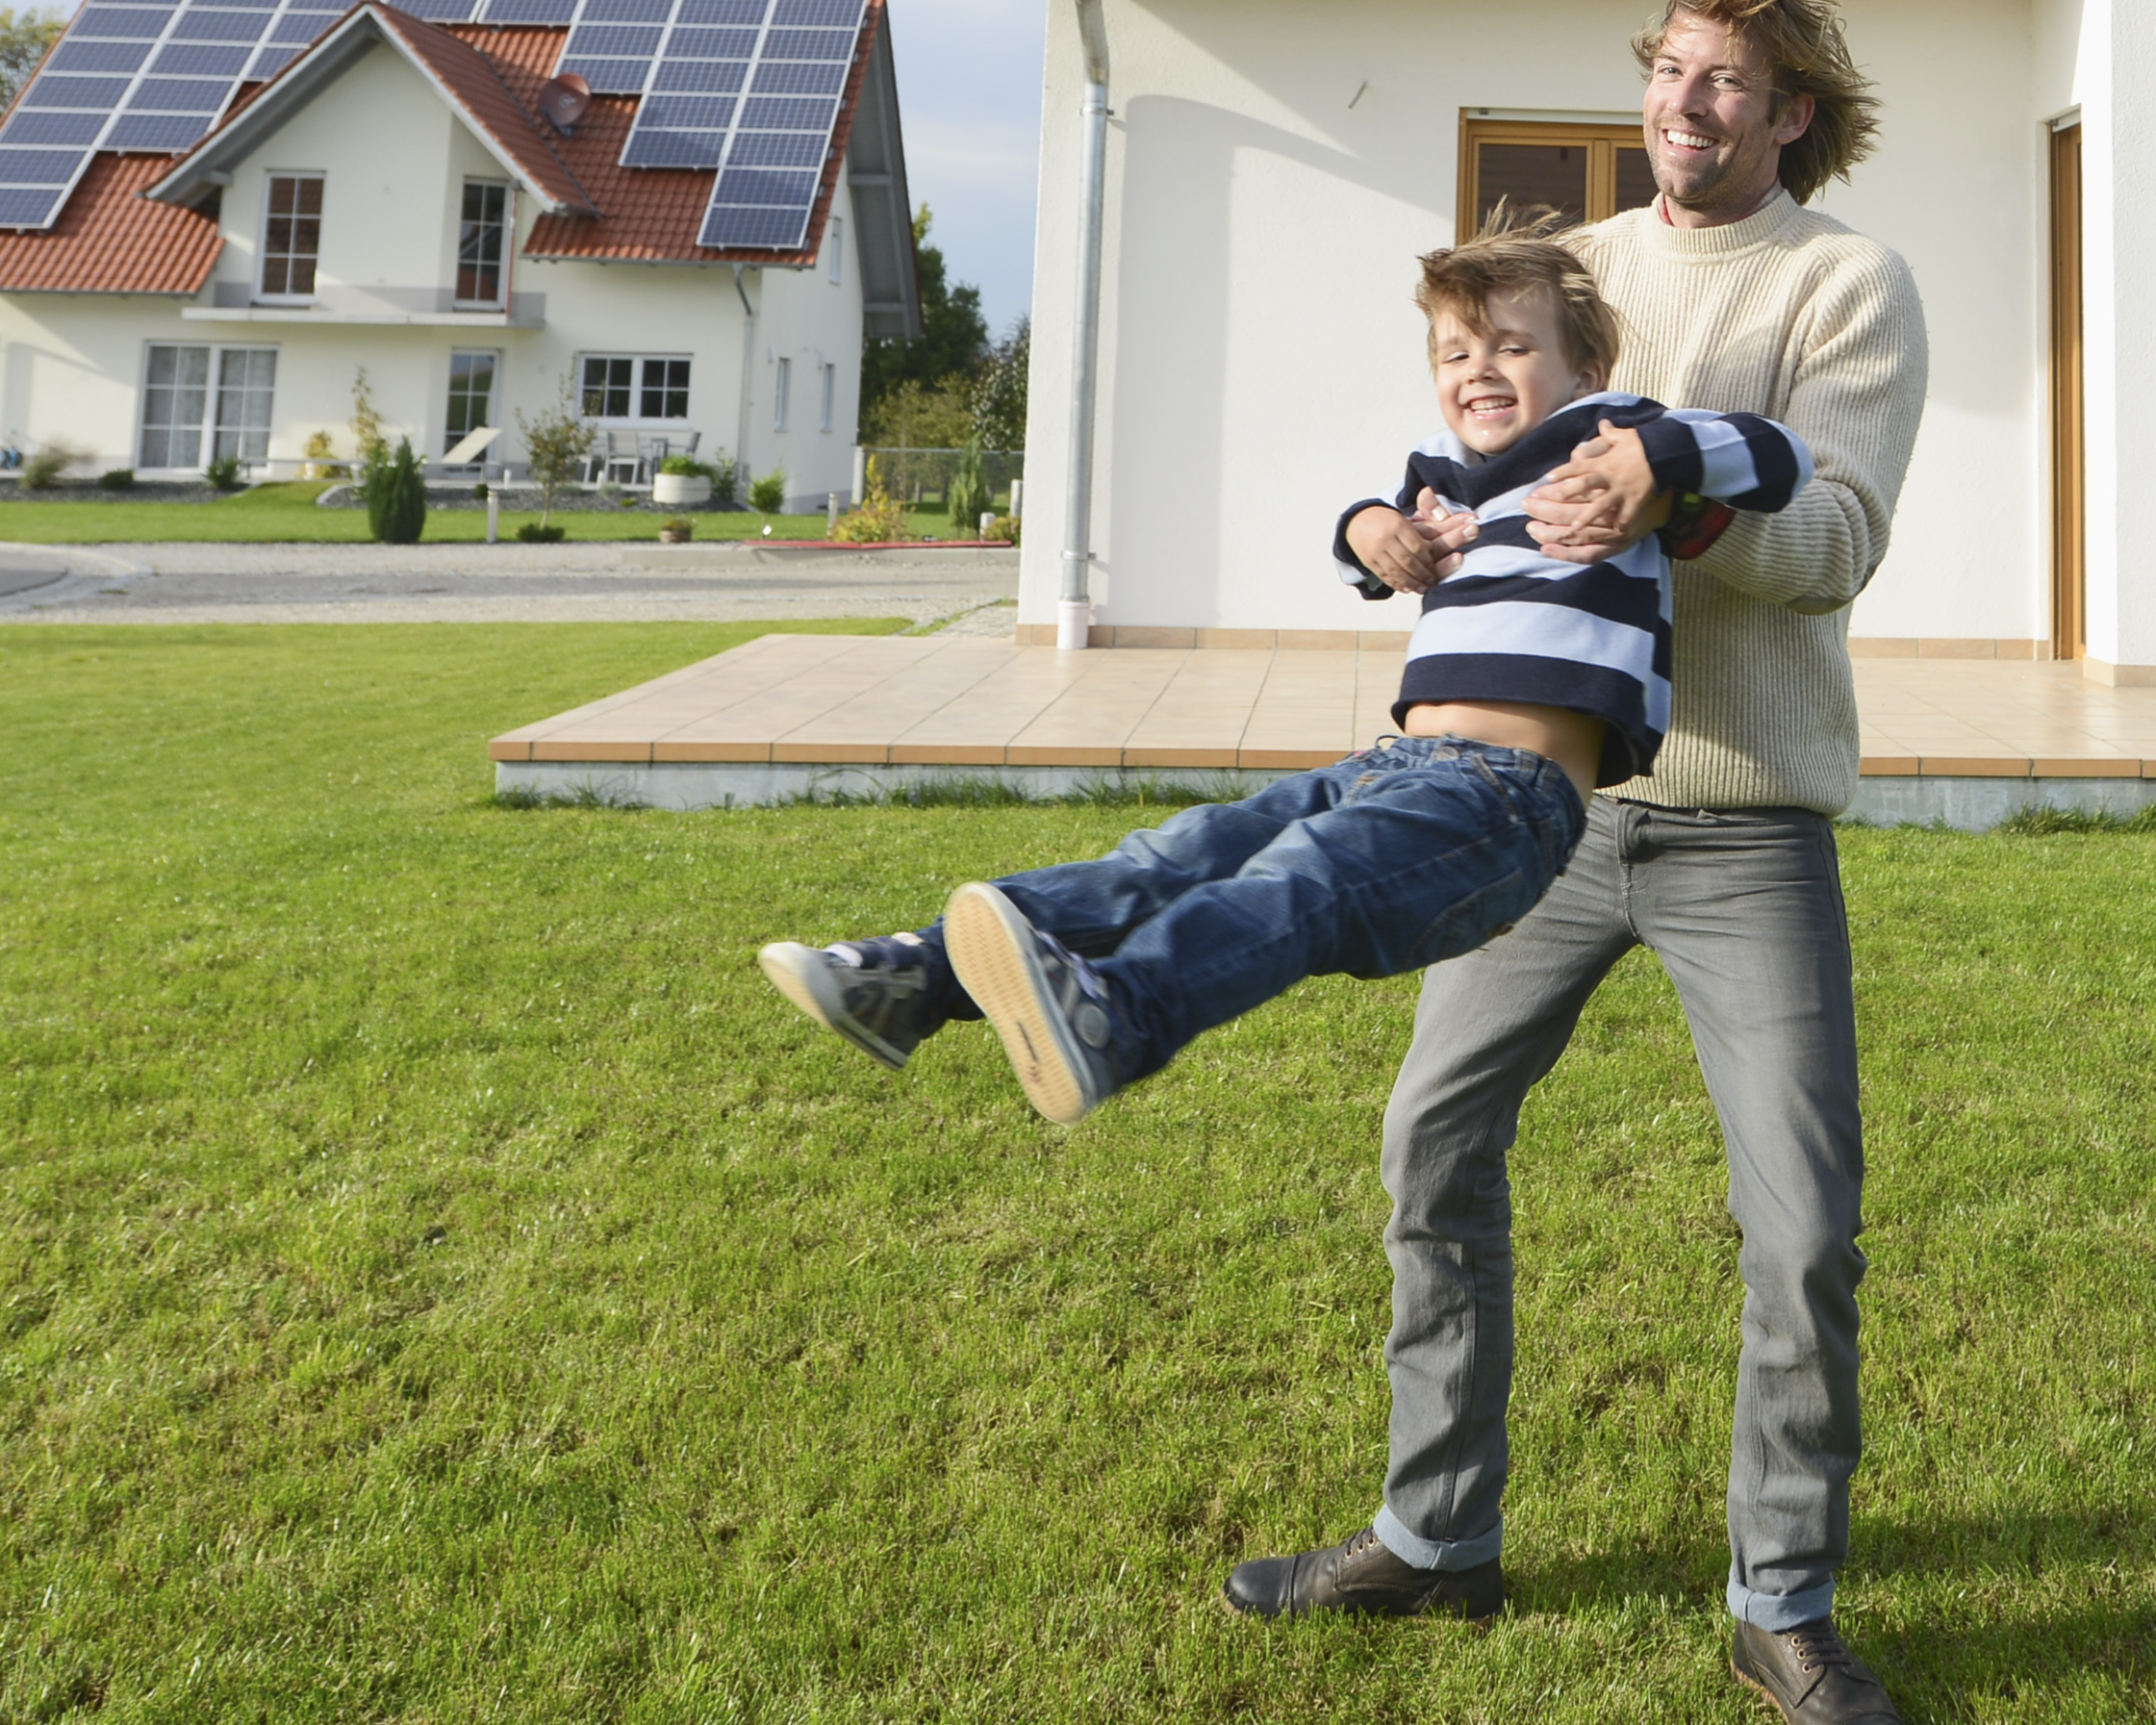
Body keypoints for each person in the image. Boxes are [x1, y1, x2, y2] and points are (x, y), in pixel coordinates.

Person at [1225, 0, 1931, 1725]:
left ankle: (1780, 1603)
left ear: (1789, 116)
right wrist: (1396, 531)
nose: (1689, 98)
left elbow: (1837, 537)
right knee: (1430, 1137)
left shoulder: (1841, 283)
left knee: (1801, 1224)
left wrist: (1674, 504)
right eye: (1671, 67)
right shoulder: (1578, 261)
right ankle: (1436, 1530)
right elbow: (1467, 449)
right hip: (1534, 803)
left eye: (1731, 81)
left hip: (1740, 816)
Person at [756, 229, 1803, 1128]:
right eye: (1454, 349)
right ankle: (916, 978)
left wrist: (1653, 460)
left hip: (1509, 799)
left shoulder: (1605, 434)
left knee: (1300, 876)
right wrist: (1371, 527)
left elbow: (1773, 455)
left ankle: (1122, 1014)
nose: (1478, 366)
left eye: (1513, 346)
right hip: (1396, 766)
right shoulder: (1440, 471)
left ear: (1582, 368)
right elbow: (1362, 540)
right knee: (1175, 853)